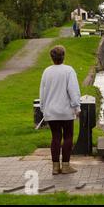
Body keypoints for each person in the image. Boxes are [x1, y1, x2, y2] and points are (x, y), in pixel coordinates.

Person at [40, 46, 81, 175]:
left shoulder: (47, 72)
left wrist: (43, 108)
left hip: (51, 111)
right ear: (63, 56)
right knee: (68, 136)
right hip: (66, 111)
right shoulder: (69, 71)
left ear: (51, 57)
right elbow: (73, 91)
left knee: (55, 137)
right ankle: (66, 165)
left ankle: (55, 167)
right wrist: (77, 106)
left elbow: (43, 92)